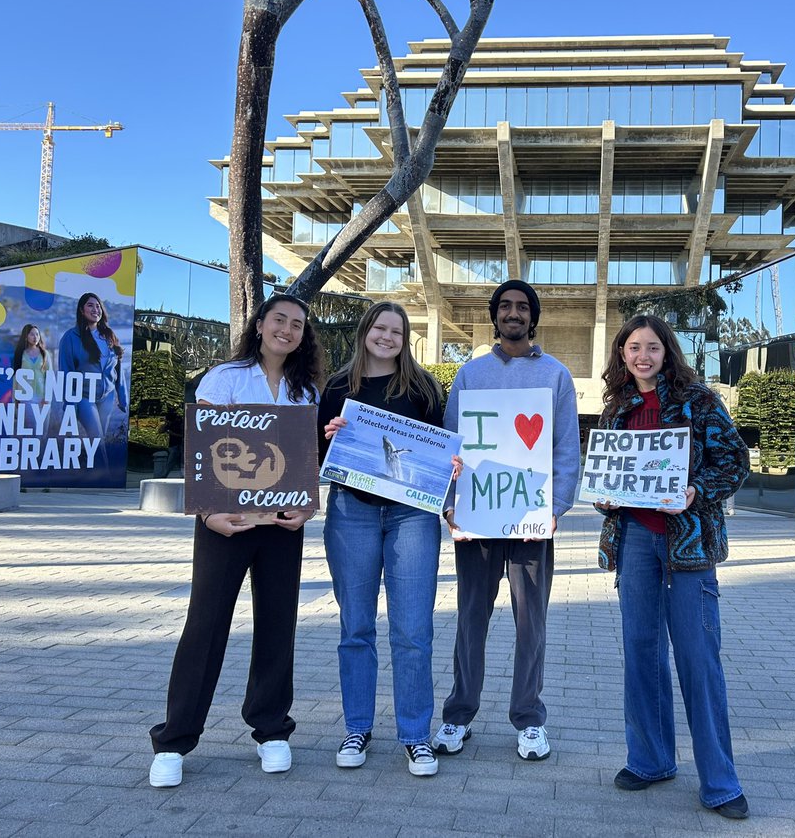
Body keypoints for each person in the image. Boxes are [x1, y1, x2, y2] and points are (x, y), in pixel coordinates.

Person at [148, 294, 323, 789]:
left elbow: (308, 459)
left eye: (297, 325)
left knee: (276, 626)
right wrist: (208, 512)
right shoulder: (224, 378)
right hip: (225, 525)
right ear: (261, 324)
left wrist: (308, 506)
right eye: (279, 320)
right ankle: (175, 740)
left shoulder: (304, 390)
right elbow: (201, 451)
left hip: (282, 528)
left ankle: (271, 729)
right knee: (205, 626)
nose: (287, 330)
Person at [594, 314, 750, 820]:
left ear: (667, 352)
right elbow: (610, 476)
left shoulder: (700, 401)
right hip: (635, 541)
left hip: (687, 547)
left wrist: (695, 491)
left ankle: (721, 782)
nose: (642, 355)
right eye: (633, 347)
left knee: (698, 660)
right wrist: (604, 497)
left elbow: (734, 461)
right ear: (622, 353)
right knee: (641, 653)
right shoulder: (616, 409)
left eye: (652, 347)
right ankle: (651, 760)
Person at [431, 279, 579, 763]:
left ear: (532, 317)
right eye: (505, 307)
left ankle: (529, 718)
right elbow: (452, 445)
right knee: (471, 618)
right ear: (495, 316)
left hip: (532, 520)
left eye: (522, 307)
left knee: (530, 622)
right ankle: (458, 715)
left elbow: (564, 449)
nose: (513, 313)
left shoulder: (557, 376)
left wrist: (556, 507)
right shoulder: (470, 375)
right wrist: (450, 504)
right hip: (477, 518)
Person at [317, 301, 450, 777]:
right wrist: (329, 436)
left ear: (405, 337)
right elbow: (318, 451)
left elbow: (441, 448)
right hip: (351, 511)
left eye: (396, 330)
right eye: (380, 328)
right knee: (356, 627)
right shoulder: (335, 387)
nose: (387, 337)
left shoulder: (424, 387)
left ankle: (416, 735)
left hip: (412, 515)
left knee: (413, 630)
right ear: (365, 332)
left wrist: (448, 468)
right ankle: (357, 727)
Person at [57, 293, 128, 469]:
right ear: (81, 310)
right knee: (97, 437)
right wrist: (69, 403)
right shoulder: (70, 337)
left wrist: (122, 397)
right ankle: (106, 476)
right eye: (90, 305)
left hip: (107, 397)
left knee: (97, 440)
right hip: (83, 396)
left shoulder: (109, 335)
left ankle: (84, 468)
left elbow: (117, 369)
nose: (95, 309)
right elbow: (66, 371)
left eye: (98, 306)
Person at [12, 324, 50, 432]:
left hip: (41, 396)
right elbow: (16, 376)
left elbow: (49, 376)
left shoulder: (44, 354)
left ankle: (40, 448)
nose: (35, 337)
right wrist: (15, 397)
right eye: (32, 334)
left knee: (43, 430)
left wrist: (47, 397)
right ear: (26, 336)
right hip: (26, 396)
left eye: (37, 334)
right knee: (34, 427)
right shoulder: (20, 354)